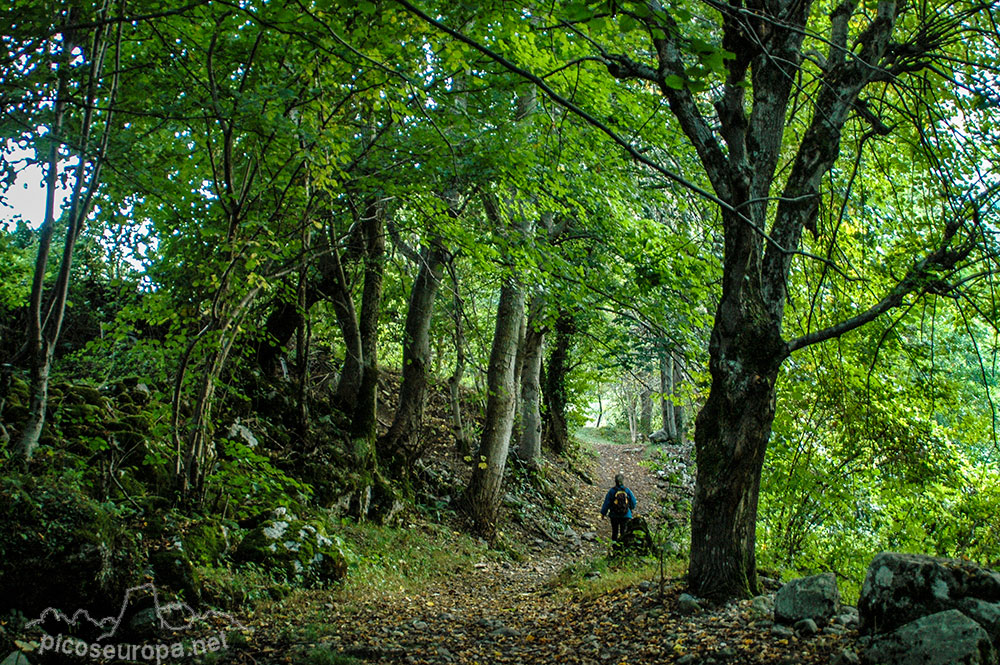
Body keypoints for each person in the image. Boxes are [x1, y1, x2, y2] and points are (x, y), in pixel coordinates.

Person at [600, 473, 637, 543]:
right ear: (623, 481)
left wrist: (603, 513)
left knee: (615, 532)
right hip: (626, 515)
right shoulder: (627, 490)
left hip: (614, 515)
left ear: (615, 481)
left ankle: (614, 546)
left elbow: (607, 503)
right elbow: (633, 502)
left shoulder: (612, 491)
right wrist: (630, 509)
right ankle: (622, 547)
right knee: (623, 532)